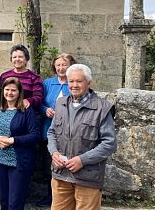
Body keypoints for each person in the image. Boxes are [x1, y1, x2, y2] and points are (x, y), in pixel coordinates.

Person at [47, 64, 117, 210]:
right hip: (61, 174)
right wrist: (54, 153)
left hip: (88, 177)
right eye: (71, 81)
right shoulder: (61, 103)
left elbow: (109, 144)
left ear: (89, 83)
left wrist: (82, 160)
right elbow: (52, 132)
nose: (74, 85)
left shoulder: (102, 108)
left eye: (79, 81)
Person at [0, 77, 40, 210]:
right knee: (4, 202)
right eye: (7, 90)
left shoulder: (26, 110)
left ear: (19, 92)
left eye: (13, 90)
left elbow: (34, 135)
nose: (10, 93)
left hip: (19, 162)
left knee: (15, 203)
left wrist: (13, 140)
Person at [36, 53, 77, 207]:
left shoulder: (74, 83)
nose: (61, 68)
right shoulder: (47, 83)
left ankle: (67, 196)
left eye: (64, 65)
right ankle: (50, 195)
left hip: (69, 131)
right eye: (58, 65)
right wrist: (45, 110)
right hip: (48, 128)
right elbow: (39, 102)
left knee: (67, 163)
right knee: (49, 165)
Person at [0, 45, 43, 109]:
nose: (17, 59)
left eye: (20, 57)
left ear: (26, 59)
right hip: (6, 110)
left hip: (25, 111)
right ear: (11, 59)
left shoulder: (34, 77)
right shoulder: (4, 76)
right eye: (14, 57)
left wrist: (28, 101)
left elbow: (38, 97)